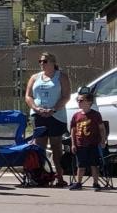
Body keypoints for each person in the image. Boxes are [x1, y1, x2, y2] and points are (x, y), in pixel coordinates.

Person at [25, 52, 71, 187]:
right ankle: (40, 176)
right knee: (40, 146)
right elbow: (28, 96)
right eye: (40, 61)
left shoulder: (61, 77)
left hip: (55, 116)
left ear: (52, 62)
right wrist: (36, 108)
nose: (41, 64)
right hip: (39, 115)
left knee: (56, 146)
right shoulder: (35, 78)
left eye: (44, 61)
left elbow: (66, 96)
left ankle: (60, 177)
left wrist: (54, 109)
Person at [68, 87, 105, 191]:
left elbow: (101, 128)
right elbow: (73, 131)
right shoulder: (76, 116)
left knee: (94, 164)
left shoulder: (95, 115)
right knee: (81, 165)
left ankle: (96, 183)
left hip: (93, 143)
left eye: (81, 100)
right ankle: (79, 182)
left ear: (89, 102)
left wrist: (103, 140)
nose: (78, 102)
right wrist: (73, 144)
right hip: (80, 144)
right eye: (77, 100)